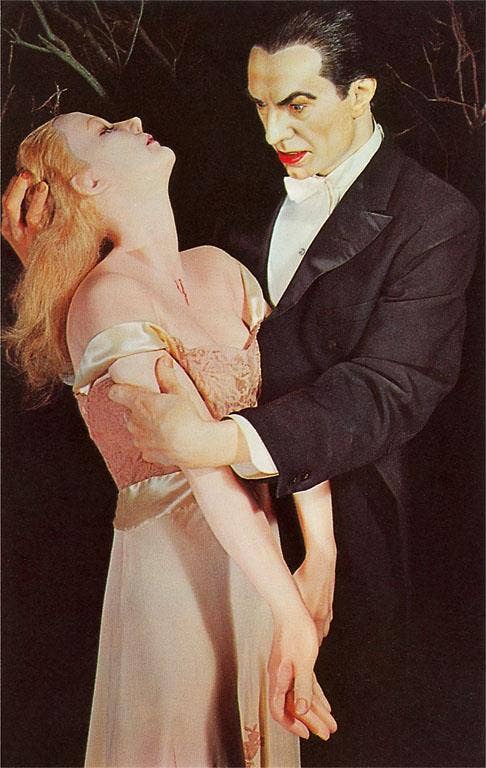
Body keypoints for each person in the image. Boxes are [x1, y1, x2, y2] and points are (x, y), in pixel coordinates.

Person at [99, 9, 478, 767]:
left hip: (358, 546)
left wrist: (222, 444)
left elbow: (388, 388)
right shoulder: (236, 196)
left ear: (361, 92)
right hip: (214, 538)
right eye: (260, 105)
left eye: (297, 103)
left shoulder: (435, 217)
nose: (274, 131)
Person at [2, 112, 338, 767]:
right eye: (105, 130)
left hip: (261, 569)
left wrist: (320, 558)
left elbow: (301, 415)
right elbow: (202, 468)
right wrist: (294, 616)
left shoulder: (221, 268)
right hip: (175, 582)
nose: (132, 120)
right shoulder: (104, 298)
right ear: (89, 182)